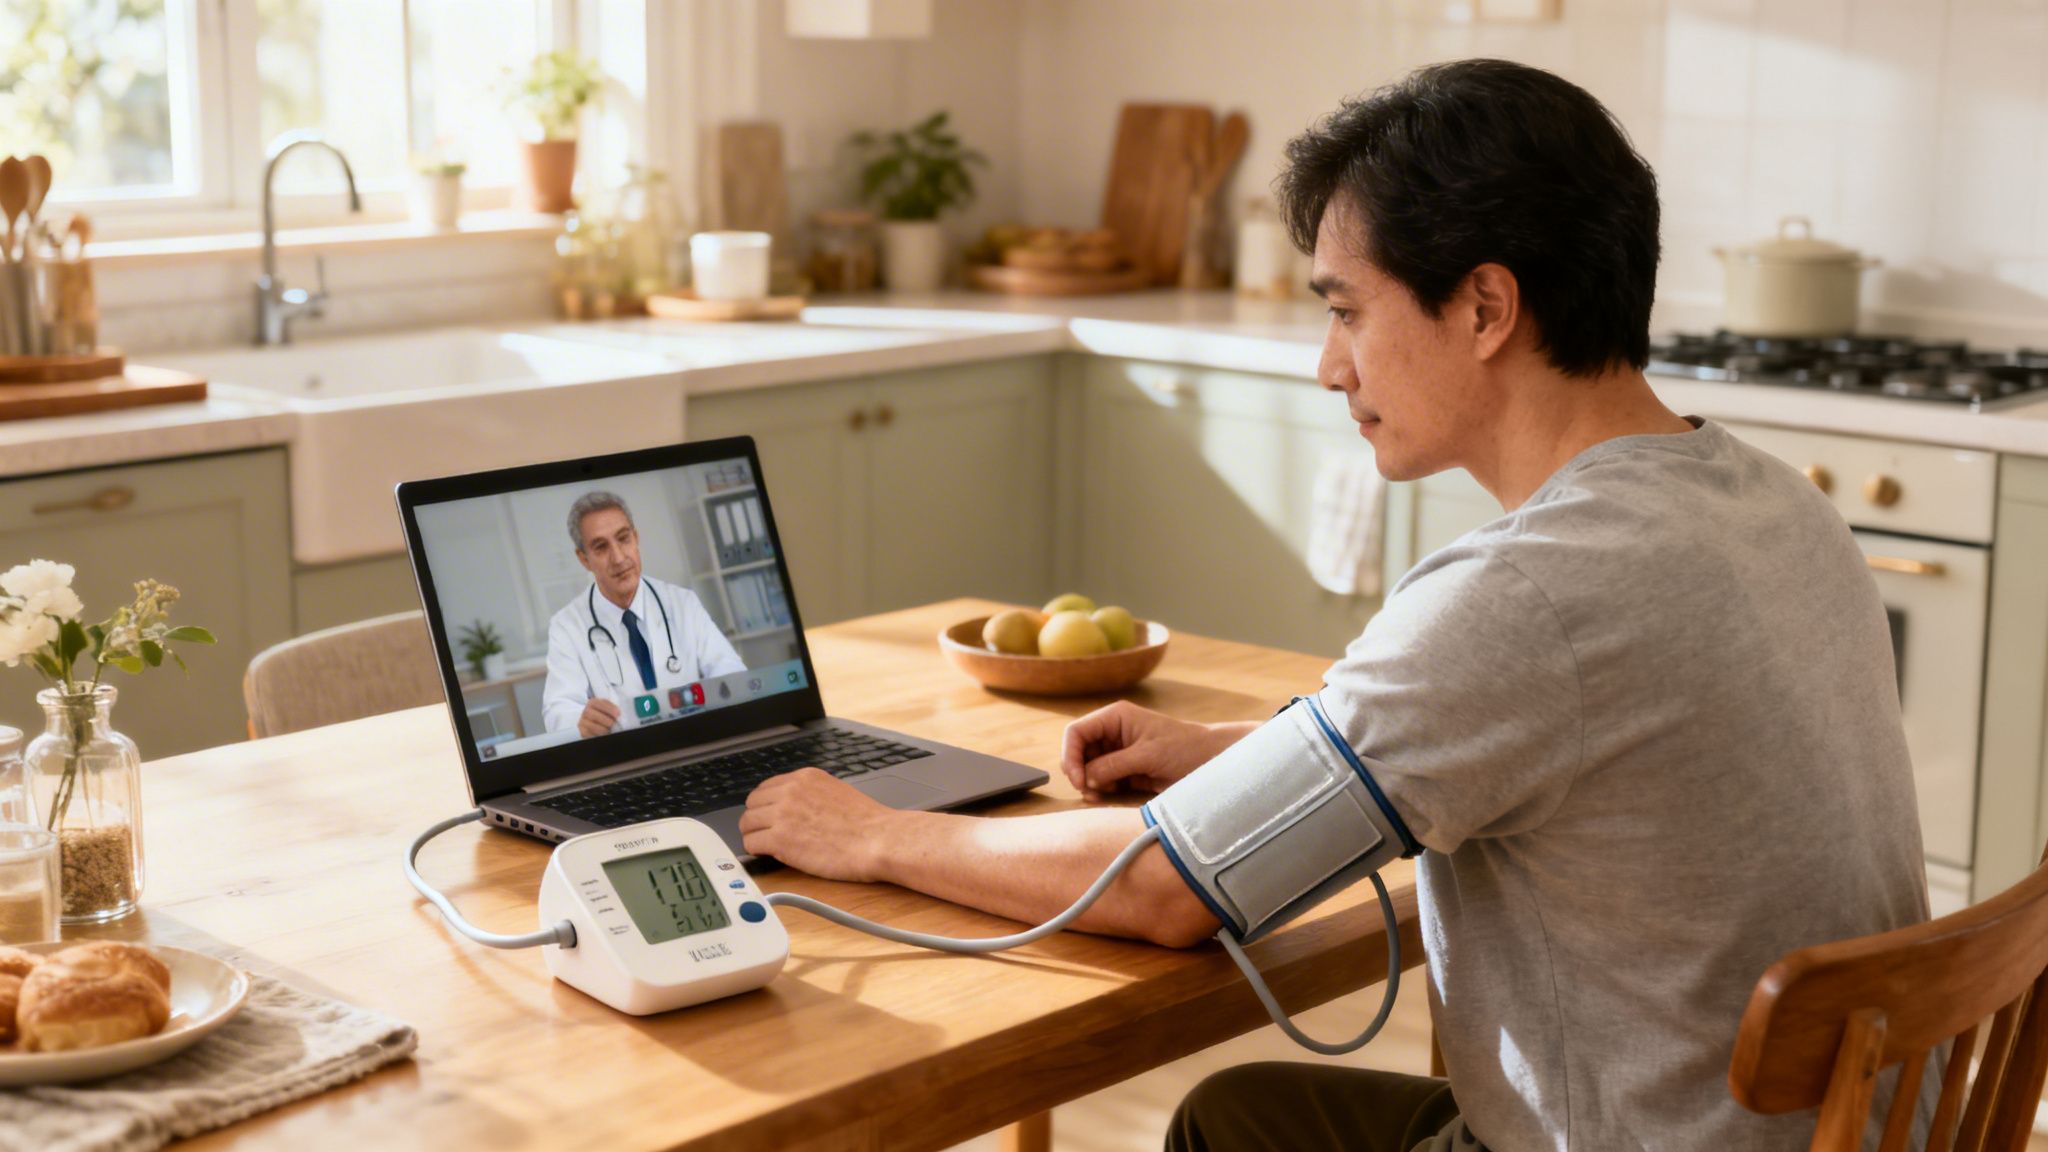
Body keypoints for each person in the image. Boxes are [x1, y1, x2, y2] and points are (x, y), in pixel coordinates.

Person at [739, 59, 1931, 1150]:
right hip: (1826, 1133)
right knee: (1240, 1117)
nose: (1326, 363)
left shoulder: (1527, 591)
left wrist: (875, 834)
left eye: (1347, 309)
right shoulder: (1770, 500)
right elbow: (1575, 741)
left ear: (1482, 308)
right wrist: (1238, 753)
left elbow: (1158, 892)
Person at [542, 491, 745, 738]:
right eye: (601, 547)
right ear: (584, 558)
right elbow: (557, 711)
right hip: (622, 755)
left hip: (694, 739)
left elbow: (731, 671)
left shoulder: (683, 603)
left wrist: (715, 695)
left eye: (623, 539)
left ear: (636, 538)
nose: (618, 558)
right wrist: (580, 722)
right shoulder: (566, 626)